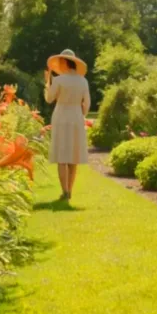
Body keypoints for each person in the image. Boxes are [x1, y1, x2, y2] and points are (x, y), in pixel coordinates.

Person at [44, 49, 91, 201]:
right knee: (73, 157)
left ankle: (65, 191)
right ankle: (69, 190)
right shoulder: (83, 81)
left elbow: (49, 99)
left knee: (62, 156)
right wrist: (80, 114)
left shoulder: (59, 80)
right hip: (76, 117)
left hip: (61, 116)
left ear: (64, 62)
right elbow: (87, 103)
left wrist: (47, 82)